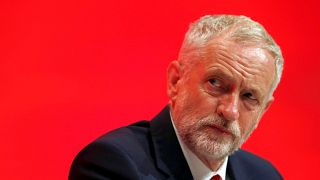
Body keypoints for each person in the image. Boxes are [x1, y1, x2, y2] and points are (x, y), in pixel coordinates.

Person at [69, 15, 284, 180]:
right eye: (215, 83)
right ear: (175, 81)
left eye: (249, 96)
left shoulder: (264, 175)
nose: (230, 111)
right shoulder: (111, 164)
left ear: (263, 110)